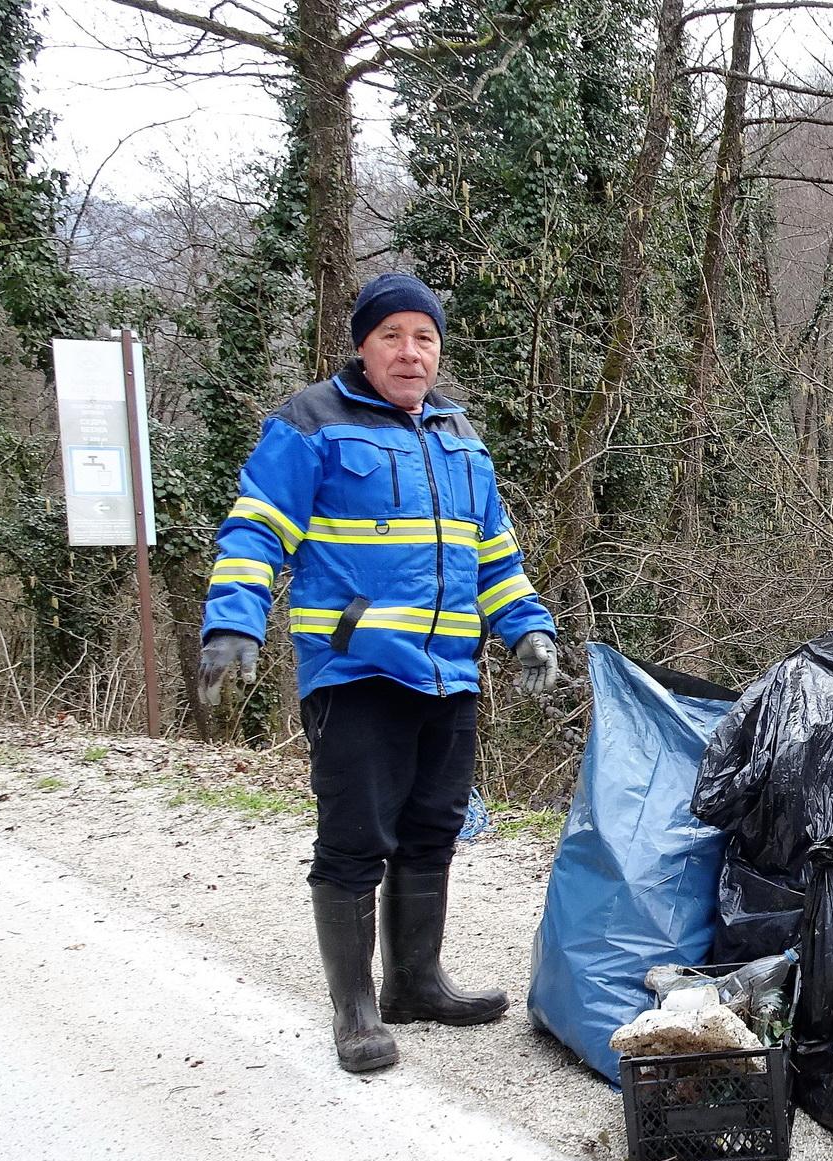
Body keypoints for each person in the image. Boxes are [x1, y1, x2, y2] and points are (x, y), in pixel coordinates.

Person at [196, 272, 561, 1073]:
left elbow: (493, 551)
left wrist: (527, 629)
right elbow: (257, 529)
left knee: (434, 828)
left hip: (448, 673)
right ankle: (355, 1010)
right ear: (363, 346)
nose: (409, 351)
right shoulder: (309, 425)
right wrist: (233, 624)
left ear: (438, 350)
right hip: (356, 671)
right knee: (356, 838)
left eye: (423, 338)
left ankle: (416, 982)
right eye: (392, 336)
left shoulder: (461, 438)